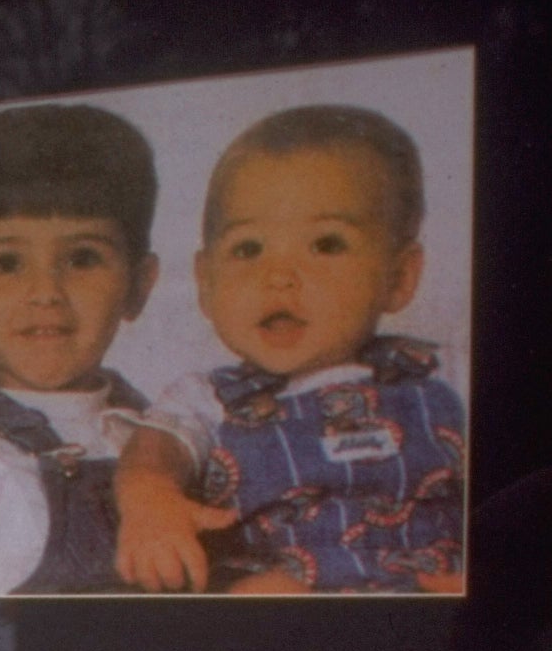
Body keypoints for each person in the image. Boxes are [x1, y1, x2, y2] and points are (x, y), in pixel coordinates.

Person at [0, 103, 225, 600]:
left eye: (82, 258)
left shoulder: (161, 433)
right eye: (7, 263)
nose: (45, 291)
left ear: (139, 284)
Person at [146, 104, 467, 594]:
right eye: (248, 248)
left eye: (326, 244)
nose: (279, 277)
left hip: (428, 594)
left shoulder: (448, 373)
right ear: (205, 283)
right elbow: (155, 449)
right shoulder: (207, 399)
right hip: (279, 600)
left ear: (399, 277)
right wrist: (152, 498)